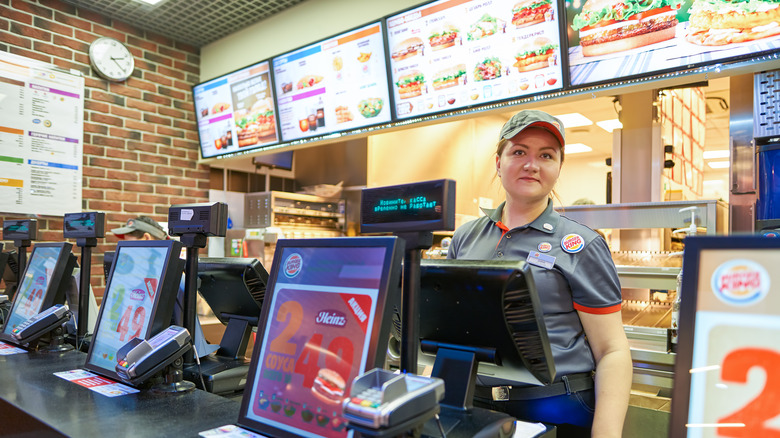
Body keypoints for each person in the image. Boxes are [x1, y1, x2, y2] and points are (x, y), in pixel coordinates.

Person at [447, 110, 631, 437]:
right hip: (477, 406)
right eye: (519, 152)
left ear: (558, 168)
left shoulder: (581, 244)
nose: (532, 164)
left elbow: (612, 350)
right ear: (498, 162)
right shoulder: (466, 237)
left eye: (546, 155)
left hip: (558, 409)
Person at [111, 216, 218, 358]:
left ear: (146, 238)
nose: (125, 247)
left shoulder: (173, 275)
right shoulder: (137, 276)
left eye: (128, 241)